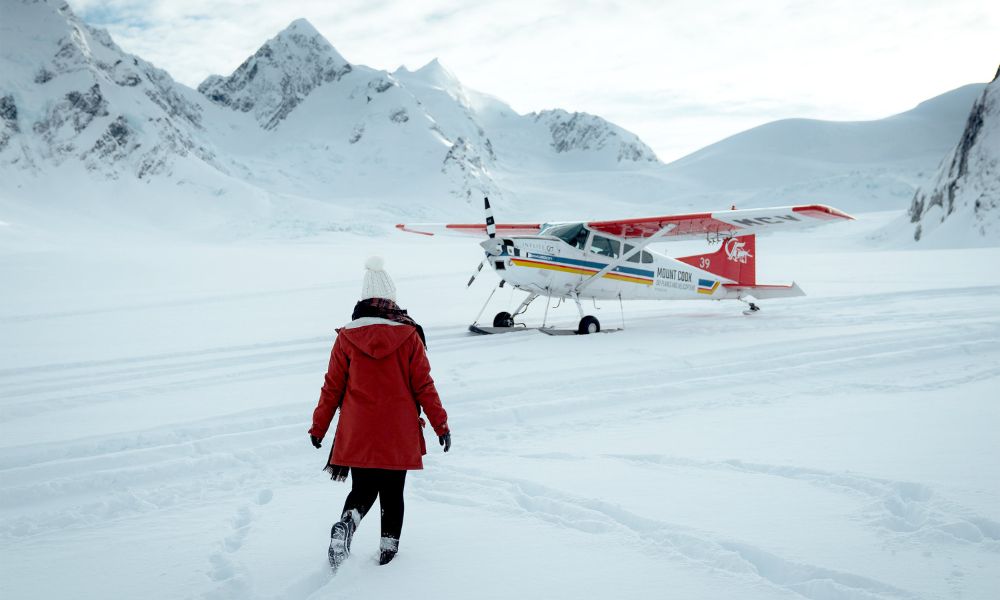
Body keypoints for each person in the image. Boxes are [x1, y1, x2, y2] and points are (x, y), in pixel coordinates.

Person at [309, 256, 451, 570]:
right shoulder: (409, 335)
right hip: (397, 430)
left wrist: (318, 427)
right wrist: (441, 424)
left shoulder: (346, 337)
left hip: (357, 429)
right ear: (391, 298)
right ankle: (387, 555)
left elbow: (332, 387)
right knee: (391, 492)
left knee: (361, 489)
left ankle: (346, 523)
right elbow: (423, 385)